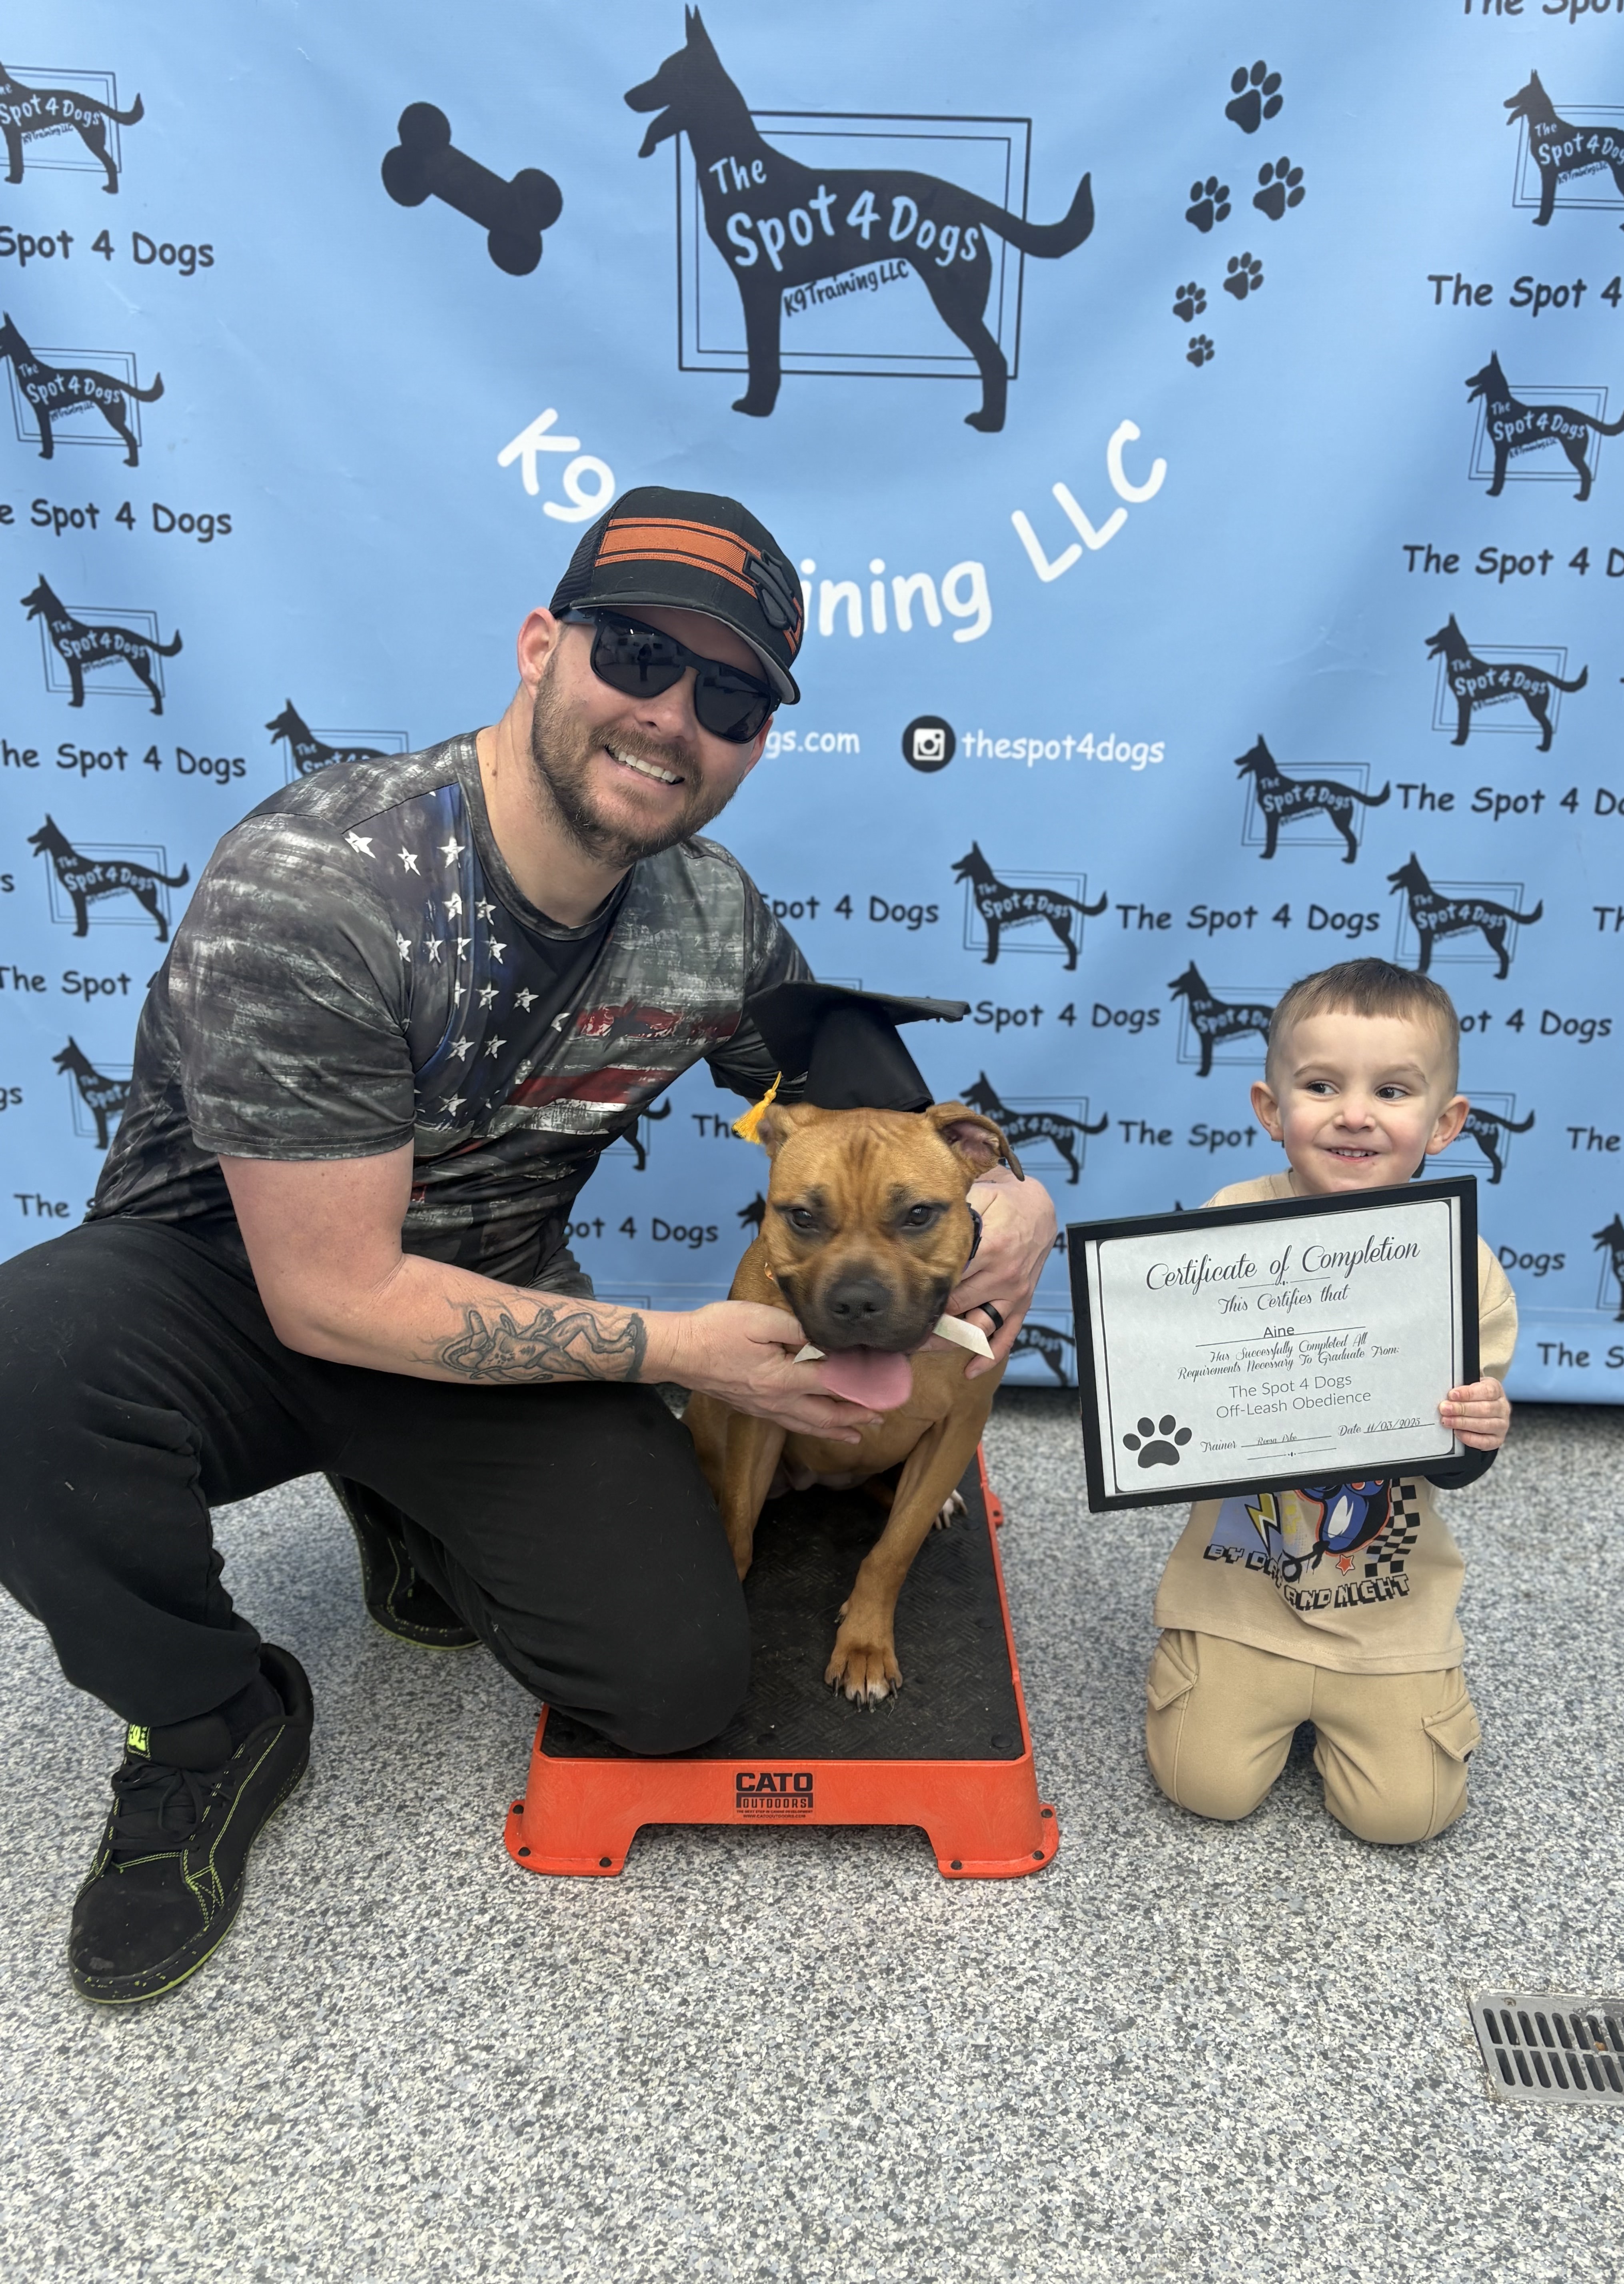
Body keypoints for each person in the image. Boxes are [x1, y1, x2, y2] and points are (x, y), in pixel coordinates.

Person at [0, 486, 1057, 2005]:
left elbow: (850, 1122)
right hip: (220, 1294)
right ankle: (207, 1719)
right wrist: (689, 1351)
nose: (672, 715)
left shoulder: (708, 920)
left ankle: (404, 1492)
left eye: (732, 693)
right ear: (540, 646)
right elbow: (333, 1291)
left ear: (756, 737)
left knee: (674, 1688)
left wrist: (1013, 1204)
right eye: (634, 652)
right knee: (25, 1367)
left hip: (483, 1314)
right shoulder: (326, 883)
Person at [1143, 958, 1516, 1847]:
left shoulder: (1466, 1269)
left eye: (1392, 1090)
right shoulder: (1223, 1226)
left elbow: (1459, 1465)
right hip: (1240, 1592)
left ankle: (1398, 1693)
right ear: (1273, 1113)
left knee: (1408, 1819)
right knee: (1206, 1790)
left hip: (1387, 1607)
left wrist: (1480, 1433)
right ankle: (1214, 1666)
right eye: (1320, 1086)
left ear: (1445, 1123)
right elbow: (1172, 1389)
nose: (1354, 1114)